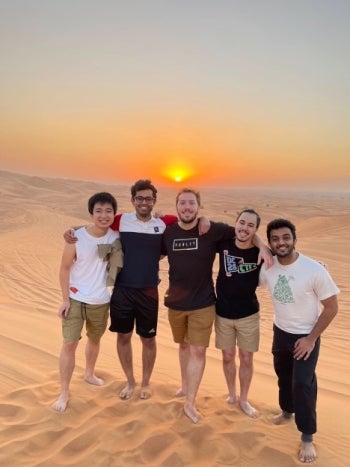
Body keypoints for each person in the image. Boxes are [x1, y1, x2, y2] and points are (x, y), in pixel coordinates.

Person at [162, 189, 272, 423]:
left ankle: (191, 402)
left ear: (199, 206)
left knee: (199, 350)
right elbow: (144, 237)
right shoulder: (168, 231)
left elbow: (246, 234)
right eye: (183, 203)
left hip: (204, 303)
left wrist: (262, 246)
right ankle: (185, 386)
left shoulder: (212, 231)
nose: (187, 207)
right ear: (177, 206)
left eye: (192, 203)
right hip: (176, 303)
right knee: (183, 346)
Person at [259, 218, 339, 463]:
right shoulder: (268, 267)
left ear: (294, 239)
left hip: (307, 335)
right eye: (275, 239)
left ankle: (307, 436)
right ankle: (287, 411)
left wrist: (311, 338)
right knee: (283, 376)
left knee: (303, 384)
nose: (281, 242)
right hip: (280, 331)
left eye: (286, 237)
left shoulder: (314, 269)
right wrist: (260, 247)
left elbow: (331, 307)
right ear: (270, 243)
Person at [52, 192, 121, 412]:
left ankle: (89, 373)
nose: (104, 215)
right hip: (75, 299)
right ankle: (64, 392)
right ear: (91, 213)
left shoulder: (117, 236)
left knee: (94, 339)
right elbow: (64, 268)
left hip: (101, 301)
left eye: (108, 211)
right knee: (69, 343)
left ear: (114, 213)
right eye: (98, 211)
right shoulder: (77, 237)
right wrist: (64, 299)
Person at [215, 208, 262, 418]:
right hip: (222, 313)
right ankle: (232, 394)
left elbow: (287, 261)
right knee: (227, 357)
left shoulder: (260, 253)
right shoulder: (223, 244)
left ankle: (244, 399)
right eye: (242, 223)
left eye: (251, 225)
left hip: (248, 314)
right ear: (236, 223)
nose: (245, 228)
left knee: (246, 358)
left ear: (256, 230)